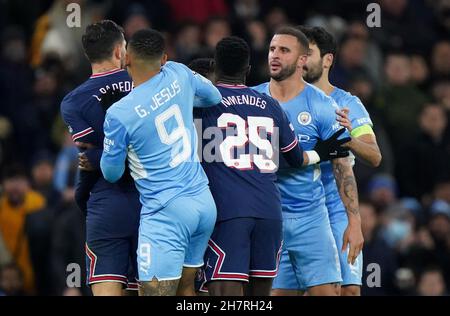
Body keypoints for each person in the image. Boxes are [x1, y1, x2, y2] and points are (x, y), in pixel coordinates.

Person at [191, 37, 350, 296]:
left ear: (216, 67)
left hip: (228, 213)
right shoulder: (269, 105)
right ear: (248, 70)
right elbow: (297, 158)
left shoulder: (202, 105)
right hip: (270, 214)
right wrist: (320, 153)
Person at [100, 29, 222, 296]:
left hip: (166, 213)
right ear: (164, 58)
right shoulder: (178, 72)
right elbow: (214, 96)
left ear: (126, 58)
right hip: (203, 202)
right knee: (187, 290)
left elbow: (111, 173)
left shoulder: (119, 113)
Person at [253, 26, 363, 296]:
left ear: (303, 60)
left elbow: (342, 167)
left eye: (284, 50)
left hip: (311, 219)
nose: (275, 56)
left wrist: (355, 223)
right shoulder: (253, 100)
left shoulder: (323, 105)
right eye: (271, 49)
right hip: (269, 217)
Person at [299, 26, 383, 296]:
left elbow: (373, 155)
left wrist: (346, 138)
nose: (301, 60)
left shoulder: (347, 103)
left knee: (348, 290)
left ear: (327, 60)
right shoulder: (282, 100)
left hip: (337, 211)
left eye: (308, 53)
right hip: (294, 208)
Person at [60, 20, 141, 296]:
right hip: (153, 200)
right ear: (120, 51)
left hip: (105, 203)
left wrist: (97, 155)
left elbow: (92, 150)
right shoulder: (149, 86)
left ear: (88, 55)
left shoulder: (73, 102)